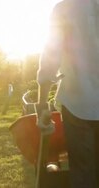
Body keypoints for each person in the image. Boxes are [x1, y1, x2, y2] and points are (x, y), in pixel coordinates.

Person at [36, 0, 99, 187]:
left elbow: (50, 57)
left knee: (83, 173)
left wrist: (41, 105)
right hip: (77, 104)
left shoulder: (65, 8)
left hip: (78, 103)